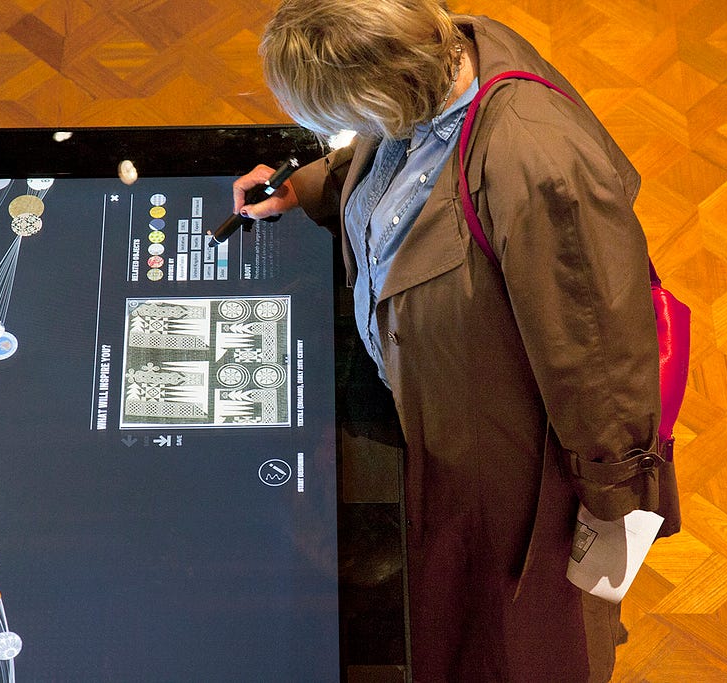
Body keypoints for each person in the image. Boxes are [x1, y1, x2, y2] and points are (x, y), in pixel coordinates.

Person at [233, 1, 681, 681]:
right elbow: (387, 163)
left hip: (510, 467)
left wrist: (612, 507)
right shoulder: (438, 57)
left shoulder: (536, 164)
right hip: (441, 421)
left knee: (520, 636)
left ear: (383, 91)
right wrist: (306, 186)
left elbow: (599, 359)